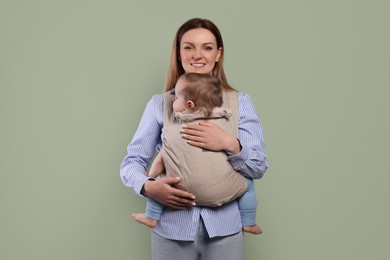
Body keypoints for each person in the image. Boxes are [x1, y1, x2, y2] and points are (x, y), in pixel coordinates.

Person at [120, 18, 268, 260]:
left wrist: (230, 144)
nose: (197, 55)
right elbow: (131, 163)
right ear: (178, 53)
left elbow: (259, 166)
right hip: (170, 230)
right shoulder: (161, 104)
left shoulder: (239, 103)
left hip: (226, 231)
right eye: (188, 47)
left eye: (207, 47)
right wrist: (149, 187)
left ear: (218, 54)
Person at [131, 72, 262, 235]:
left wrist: (150, 180)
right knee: (248, 186)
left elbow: (160, 160)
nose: (172, 99)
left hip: (180, 188)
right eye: (188, 47)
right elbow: (134, 159)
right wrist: (231, 142)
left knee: (159, 181)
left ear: (189, 105)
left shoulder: (174, 131)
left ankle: (151, 217)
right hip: (223, 190)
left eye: (176, 97)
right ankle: (249, 222)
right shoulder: (224, 116)